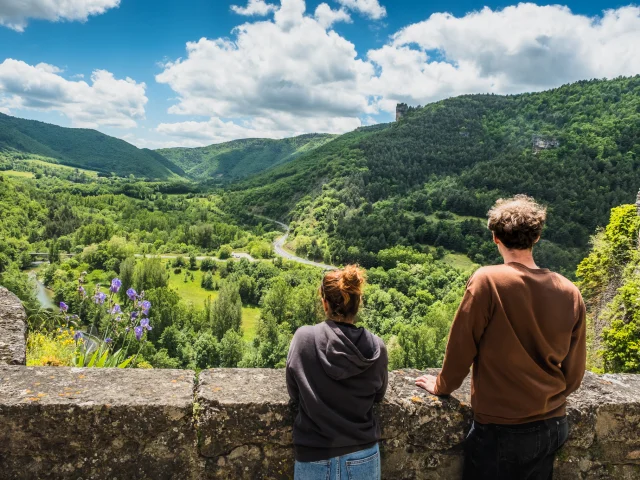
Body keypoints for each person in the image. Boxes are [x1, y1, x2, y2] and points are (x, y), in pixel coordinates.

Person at [415, 195, 586, 480]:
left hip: (501, 429)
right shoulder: (570, 292)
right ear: (538, 236)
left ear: (495, 238)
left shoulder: (488, 280)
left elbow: (461, 347)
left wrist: (442, 385)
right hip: (552, 423)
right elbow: (575, 372)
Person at [286, 265, 388, 480]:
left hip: (313, 455)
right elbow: (378, 395)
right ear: (358, 304)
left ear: (325, 303)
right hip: (363, 455)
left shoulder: (304, 339)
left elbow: (295, 393)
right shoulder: (376, 347)